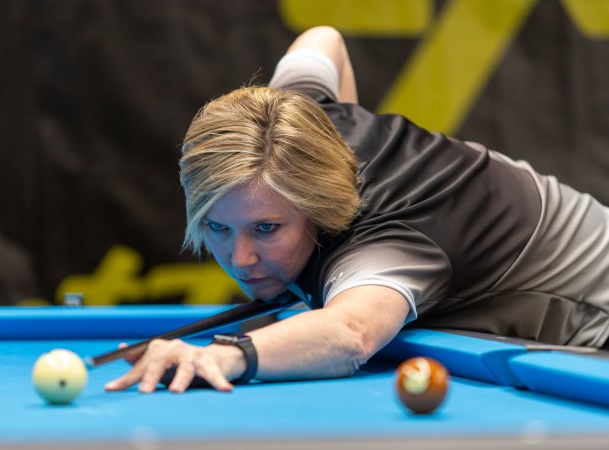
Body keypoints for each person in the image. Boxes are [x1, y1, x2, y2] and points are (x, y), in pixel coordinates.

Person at [105, 26, 609, 395]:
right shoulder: (298, 120)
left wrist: (228, 356)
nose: (240, 258)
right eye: (217, 227)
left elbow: (349, 333)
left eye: (266, 228)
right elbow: (322, 39)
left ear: (316, 208)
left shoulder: (383, 247)